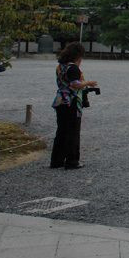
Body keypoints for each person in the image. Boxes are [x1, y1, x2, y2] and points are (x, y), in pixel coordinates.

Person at [50, 42, 98, 170]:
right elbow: (74, 84)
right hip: (71, 101)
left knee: (61, 131)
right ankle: (72, 160)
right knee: (73, 131)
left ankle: (56, 160)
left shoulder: (60, 66)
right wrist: (88, 83)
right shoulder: (73, 67)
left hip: (60, 100)